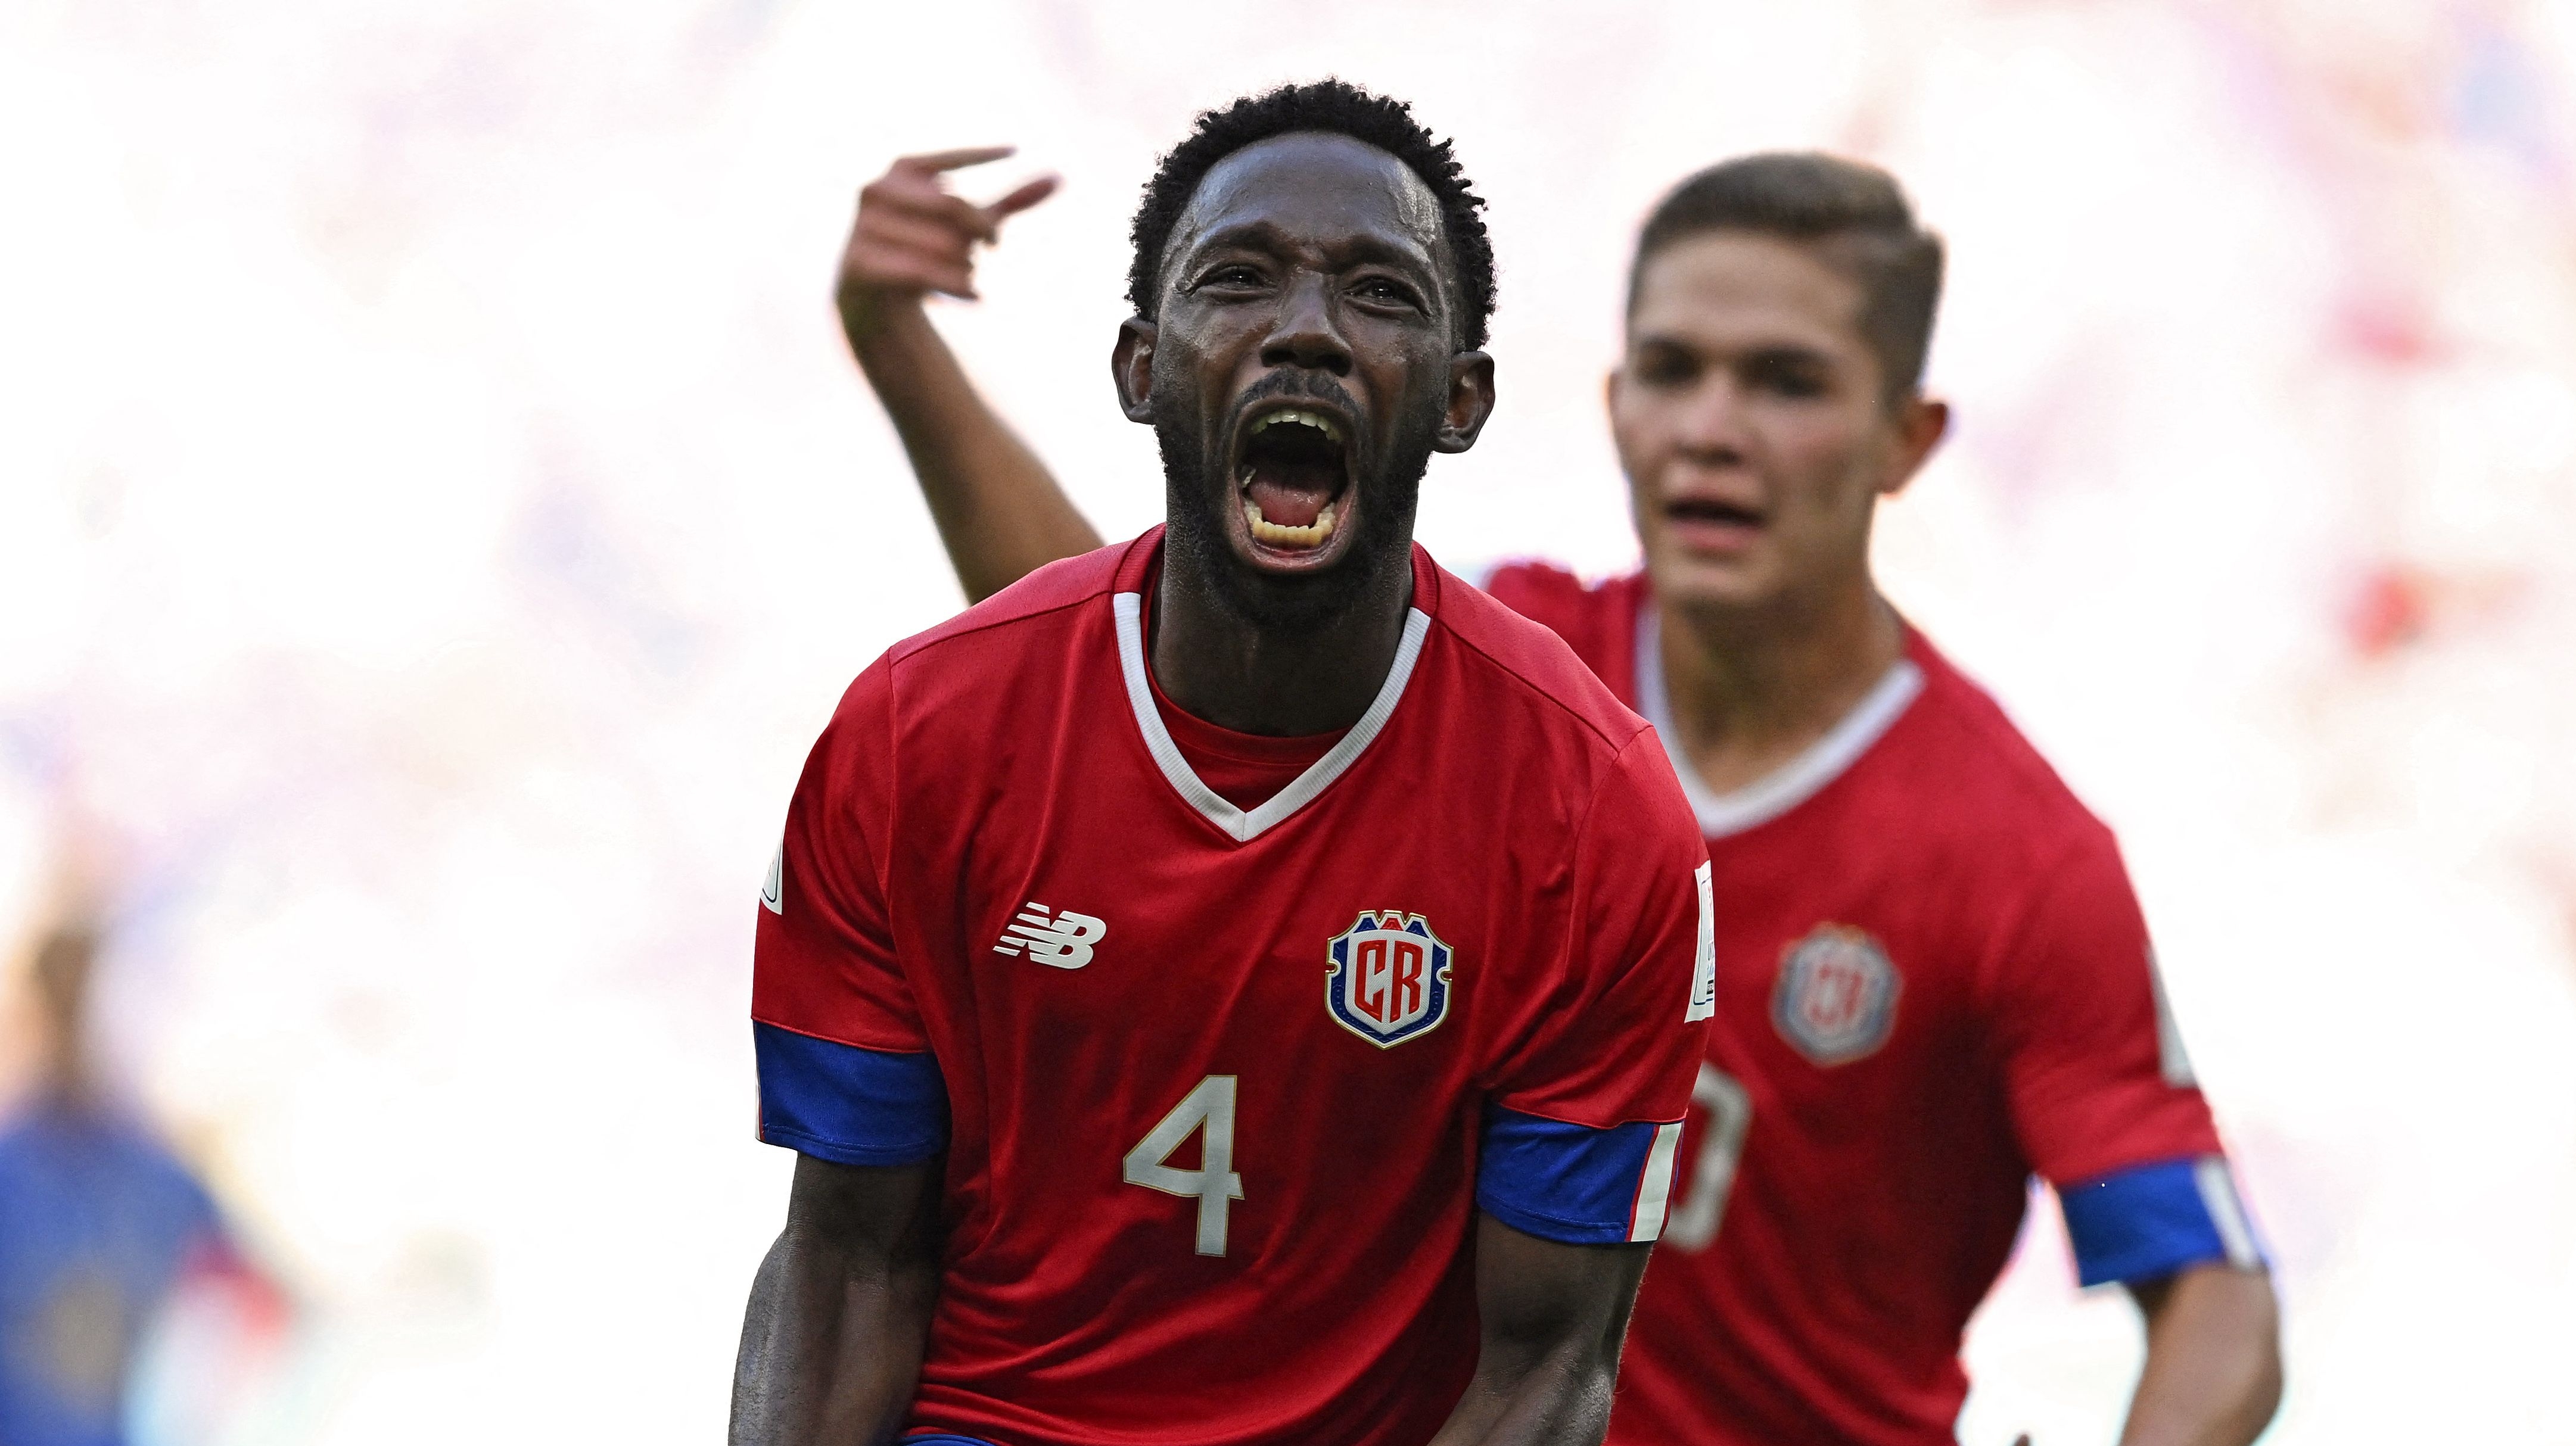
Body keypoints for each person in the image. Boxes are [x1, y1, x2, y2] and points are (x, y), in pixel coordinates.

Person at [837, 138, 2288, 1445]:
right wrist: (904, 351)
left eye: (1783, 382)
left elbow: (2219, 1305)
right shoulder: (1500, 696)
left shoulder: (2010, 851)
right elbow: (1135, 659)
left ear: (1905, 438)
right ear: (1611, 403)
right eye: (1672, 370)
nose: (1709, 429)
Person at [732, 82, 1716, 1446]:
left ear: (1461, 396)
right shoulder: (915, 734)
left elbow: (1545, 1371)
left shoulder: (1592, 814)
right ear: (1140, 368)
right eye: (1238, 278)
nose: (1305, 328)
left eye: (1379, 291)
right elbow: (849, 1258)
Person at [0, 914, 272, 1446]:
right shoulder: (13, 1169)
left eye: (86, 1001)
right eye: (62, 1002)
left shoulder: (157, 1173)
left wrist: (200, 1407)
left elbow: (254, 1293)